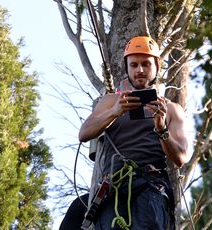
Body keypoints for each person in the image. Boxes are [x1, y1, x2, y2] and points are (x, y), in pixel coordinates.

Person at [78, 36, 191, 230]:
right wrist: (115, 112)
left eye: (146, 64)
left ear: (156, 67)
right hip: (113, 189)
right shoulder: (109, 101)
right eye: (134, 65)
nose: (139, 70)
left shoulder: (171, 110)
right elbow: (84, 133)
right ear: (127, 68)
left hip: (152, 186)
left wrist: (161, 127)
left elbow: (181, 158)